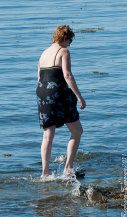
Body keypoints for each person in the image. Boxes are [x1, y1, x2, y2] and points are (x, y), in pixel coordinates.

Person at [36, 25, 86, 178]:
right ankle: (68, 169)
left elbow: (39, 77)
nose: (70, 43)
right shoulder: (63, 51)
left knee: (48, 135)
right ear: (64, 38)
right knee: (77, 131)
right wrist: (79, 96)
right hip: (58, 93)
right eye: (70, 39)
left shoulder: (43, 53)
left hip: (42, 92)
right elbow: (68, 75)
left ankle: (45, 173)